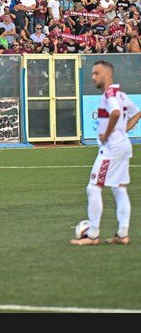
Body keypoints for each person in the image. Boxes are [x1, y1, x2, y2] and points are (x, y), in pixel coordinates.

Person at [71, 61, 138, 245]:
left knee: (93, 188)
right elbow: (137, 112)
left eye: (96, 73)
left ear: (107, 75)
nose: (93, 77)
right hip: (123, 146)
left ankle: (92, 235)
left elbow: (115, 113)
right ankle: (122, 234)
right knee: (119, 188)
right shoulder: (121, 94)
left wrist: (107, 134)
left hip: (111, 149)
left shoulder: (110, 95)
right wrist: (123, 130)